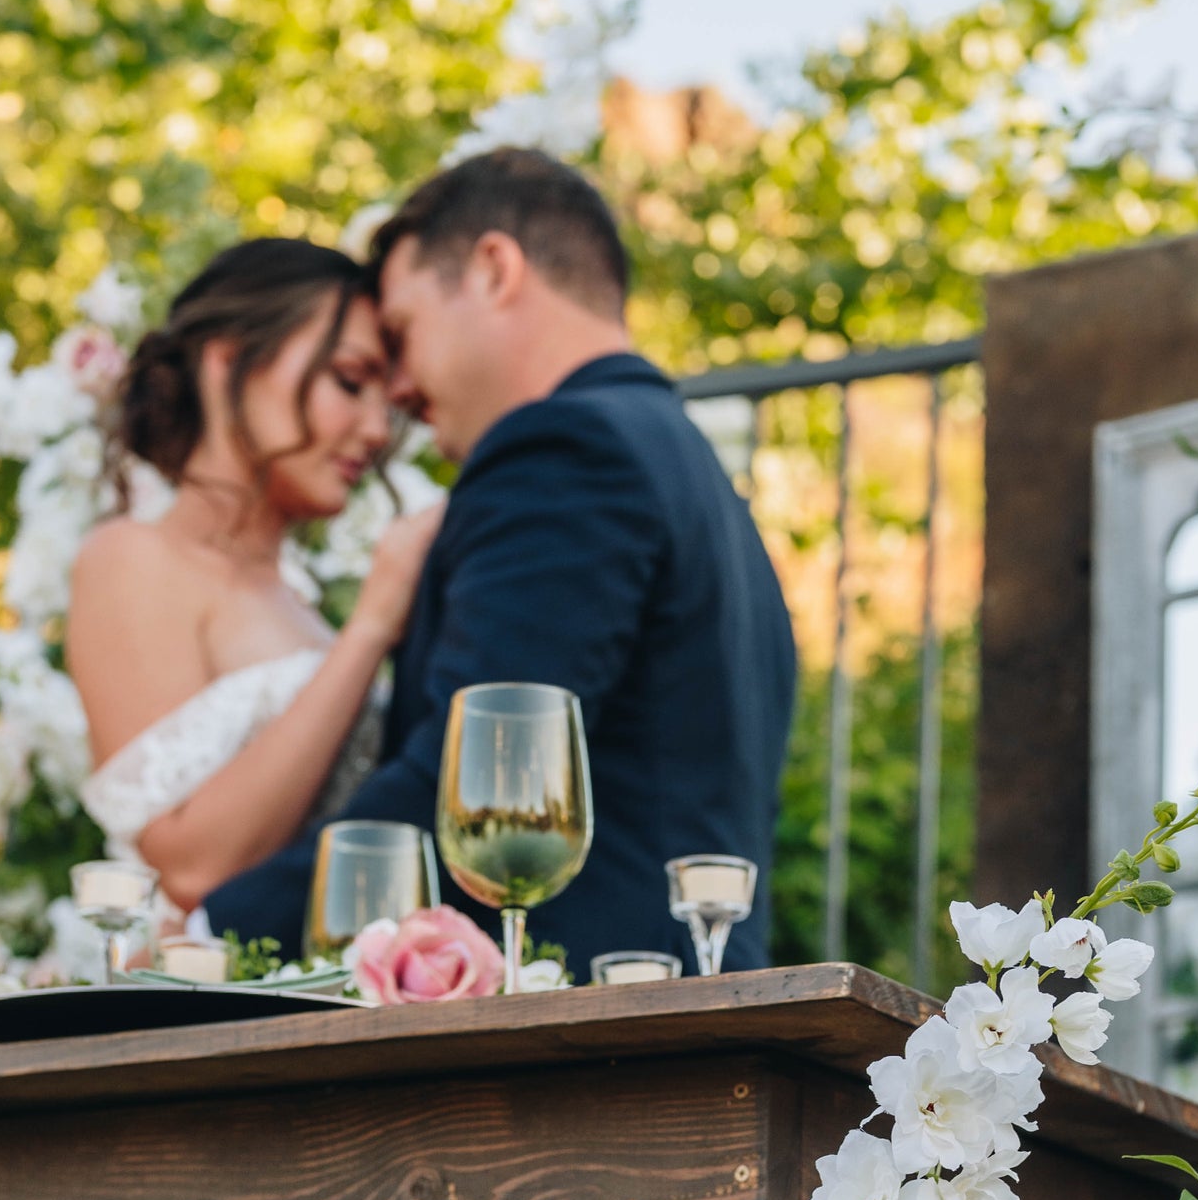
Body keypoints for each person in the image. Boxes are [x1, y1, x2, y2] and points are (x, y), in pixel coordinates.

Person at [205, 149, 798, 978]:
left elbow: (474, 798)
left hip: (591, 1028)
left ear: (493, 270)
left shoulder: (562, 450)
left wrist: (204, 939)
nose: (399, 392)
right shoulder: (695, 473)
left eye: (403, 333)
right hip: (685, 1009)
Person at [67, 238, 443, 905]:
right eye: (350, 382)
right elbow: (190, 869)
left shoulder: (298, 600)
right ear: (228, 359)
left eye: (389, 401)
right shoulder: (129, 558)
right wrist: (371, 628)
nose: (378, 428)